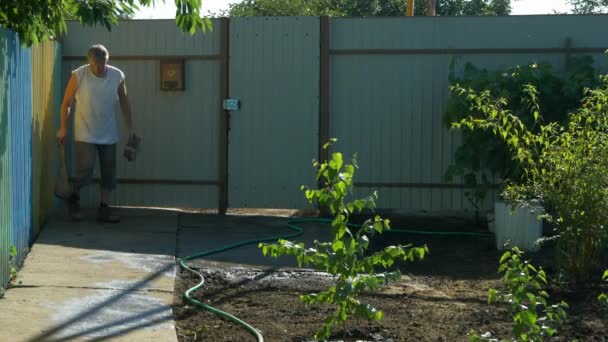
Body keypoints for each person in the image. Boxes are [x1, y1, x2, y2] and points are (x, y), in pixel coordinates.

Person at [56, 44, 136, 223]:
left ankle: (104, 209)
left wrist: (130, 128)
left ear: (107, 60)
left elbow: (124, 101)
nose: (98, 68)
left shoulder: (117, 75)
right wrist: (63, 127)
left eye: (102, 64)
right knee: (85, 170)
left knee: (109, 172)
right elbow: (66, 102)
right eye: (95, 65)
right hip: (85, 132)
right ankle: (74, 199)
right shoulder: (79, 75)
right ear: (89, 62)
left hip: (108, 132)